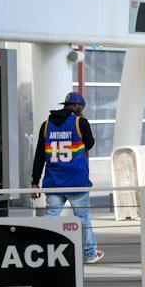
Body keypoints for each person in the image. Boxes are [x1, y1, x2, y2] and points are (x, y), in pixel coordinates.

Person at [31, 91, 103, 263]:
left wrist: (35, 181)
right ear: (77, 107)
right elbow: (90, 144)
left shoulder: (46, 125)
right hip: (77, 182)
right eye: (81, 108)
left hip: (53, 181)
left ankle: (42, 252)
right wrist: (82, 121)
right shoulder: (80, 122)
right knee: (82, 217)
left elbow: (40, 155)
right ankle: (89, 253)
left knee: (52, 214)